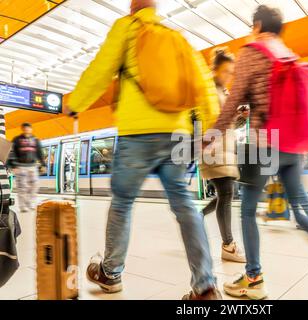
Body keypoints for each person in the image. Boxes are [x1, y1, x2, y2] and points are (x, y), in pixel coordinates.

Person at [211, 5, 308, 300]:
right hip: (294, 145)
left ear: (257, 24)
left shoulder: (251, 51)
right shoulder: (287, 52)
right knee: (301, 212)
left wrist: (211, 135)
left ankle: (254, 278)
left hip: (265, 143)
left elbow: (232, 103)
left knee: (247, 210)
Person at [65, 0, 221, 300]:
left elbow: (101, 68)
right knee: (185, 206)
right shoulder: (178, 38)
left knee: (123, 203)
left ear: (133, 7)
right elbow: (202, 84)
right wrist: (208, 125)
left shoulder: (127, 28)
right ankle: (205, 286)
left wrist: (76, 103)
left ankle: (110, 274)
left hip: (137, 134)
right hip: (177, 134)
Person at [200, 48, 246, 263]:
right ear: (215, 69)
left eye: (231, 72)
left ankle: (197, 216)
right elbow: (210, 121)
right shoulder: (207, 90)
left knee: (225, 194)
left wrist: (240, 117)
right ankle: (228, 245)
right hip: (213, 150)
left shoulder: (224, 91)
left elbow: (228, 124)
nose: (229, 75)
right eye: (226, 71)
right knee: (226, 193)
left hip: (225, 149)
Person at [8, 123, 46, 213]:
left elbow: (40, 153)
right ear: (23, 129)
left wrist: (43, 164)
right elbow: (11, 152)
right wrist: (12, 166)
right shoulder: (17, 140)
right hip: (20, 166)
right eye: (25, 128)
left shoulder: (36, 140)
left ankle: (31, 203)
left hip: (32, 166)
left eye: (28, 128)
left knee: (35, 185)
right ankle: (23, 206)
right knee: (22, 187)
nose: (27, 130)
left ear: (31, 129)